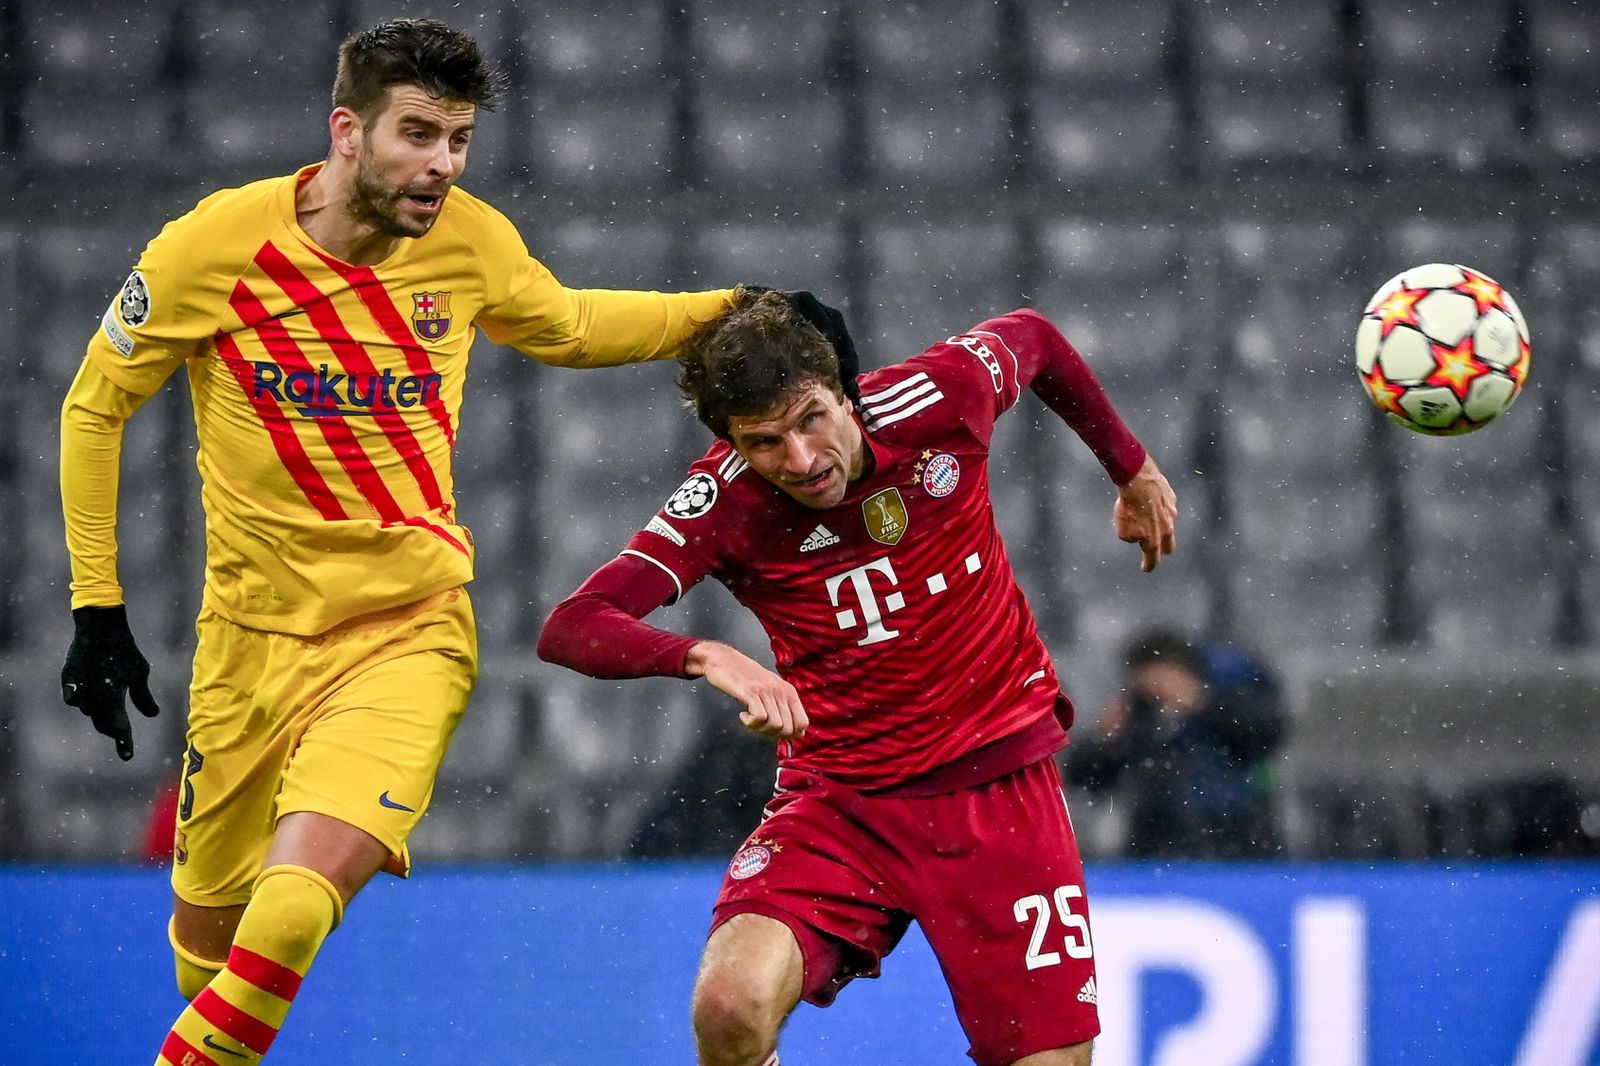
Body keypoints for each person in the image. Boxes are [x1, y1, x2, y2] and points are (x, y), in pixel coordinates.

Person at [56, 20, 851, 1064]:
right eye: (419, 134)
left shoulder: (467, 240)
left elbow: (567, 322)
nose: (441, 164)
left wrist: (738, 307)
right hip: (244, 650)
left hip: (404, 636)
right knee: (209, 955)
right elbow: (91, 407)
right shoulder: (211, 248)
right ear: (346, 131)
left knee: (290, 913)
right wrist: (96, 605)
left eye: (459, 140)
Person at [538, 289, 1179, 1066]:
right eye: (765, 441)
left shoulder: (938, 399)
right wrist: (706, 654)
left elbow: (1035, 338)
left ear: (845, 391)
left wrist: (1132, 468)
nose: (801, 461)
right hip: (843, 802)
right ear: (733, 441)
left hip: (998, 792)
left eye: (811, 419)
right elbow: (573, 625)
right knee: (729, 1007)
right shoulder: (723, 500)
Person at [1064, 627, 1287, 858]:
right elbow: (1087, 779)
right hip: (1156, 843)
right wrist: (1103, 740)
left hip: (1236, 838)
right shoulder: (1139, 715)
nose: (1156, 687)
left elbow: (1263, 737)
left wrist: (1201, 702)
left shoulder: (1230, 695)